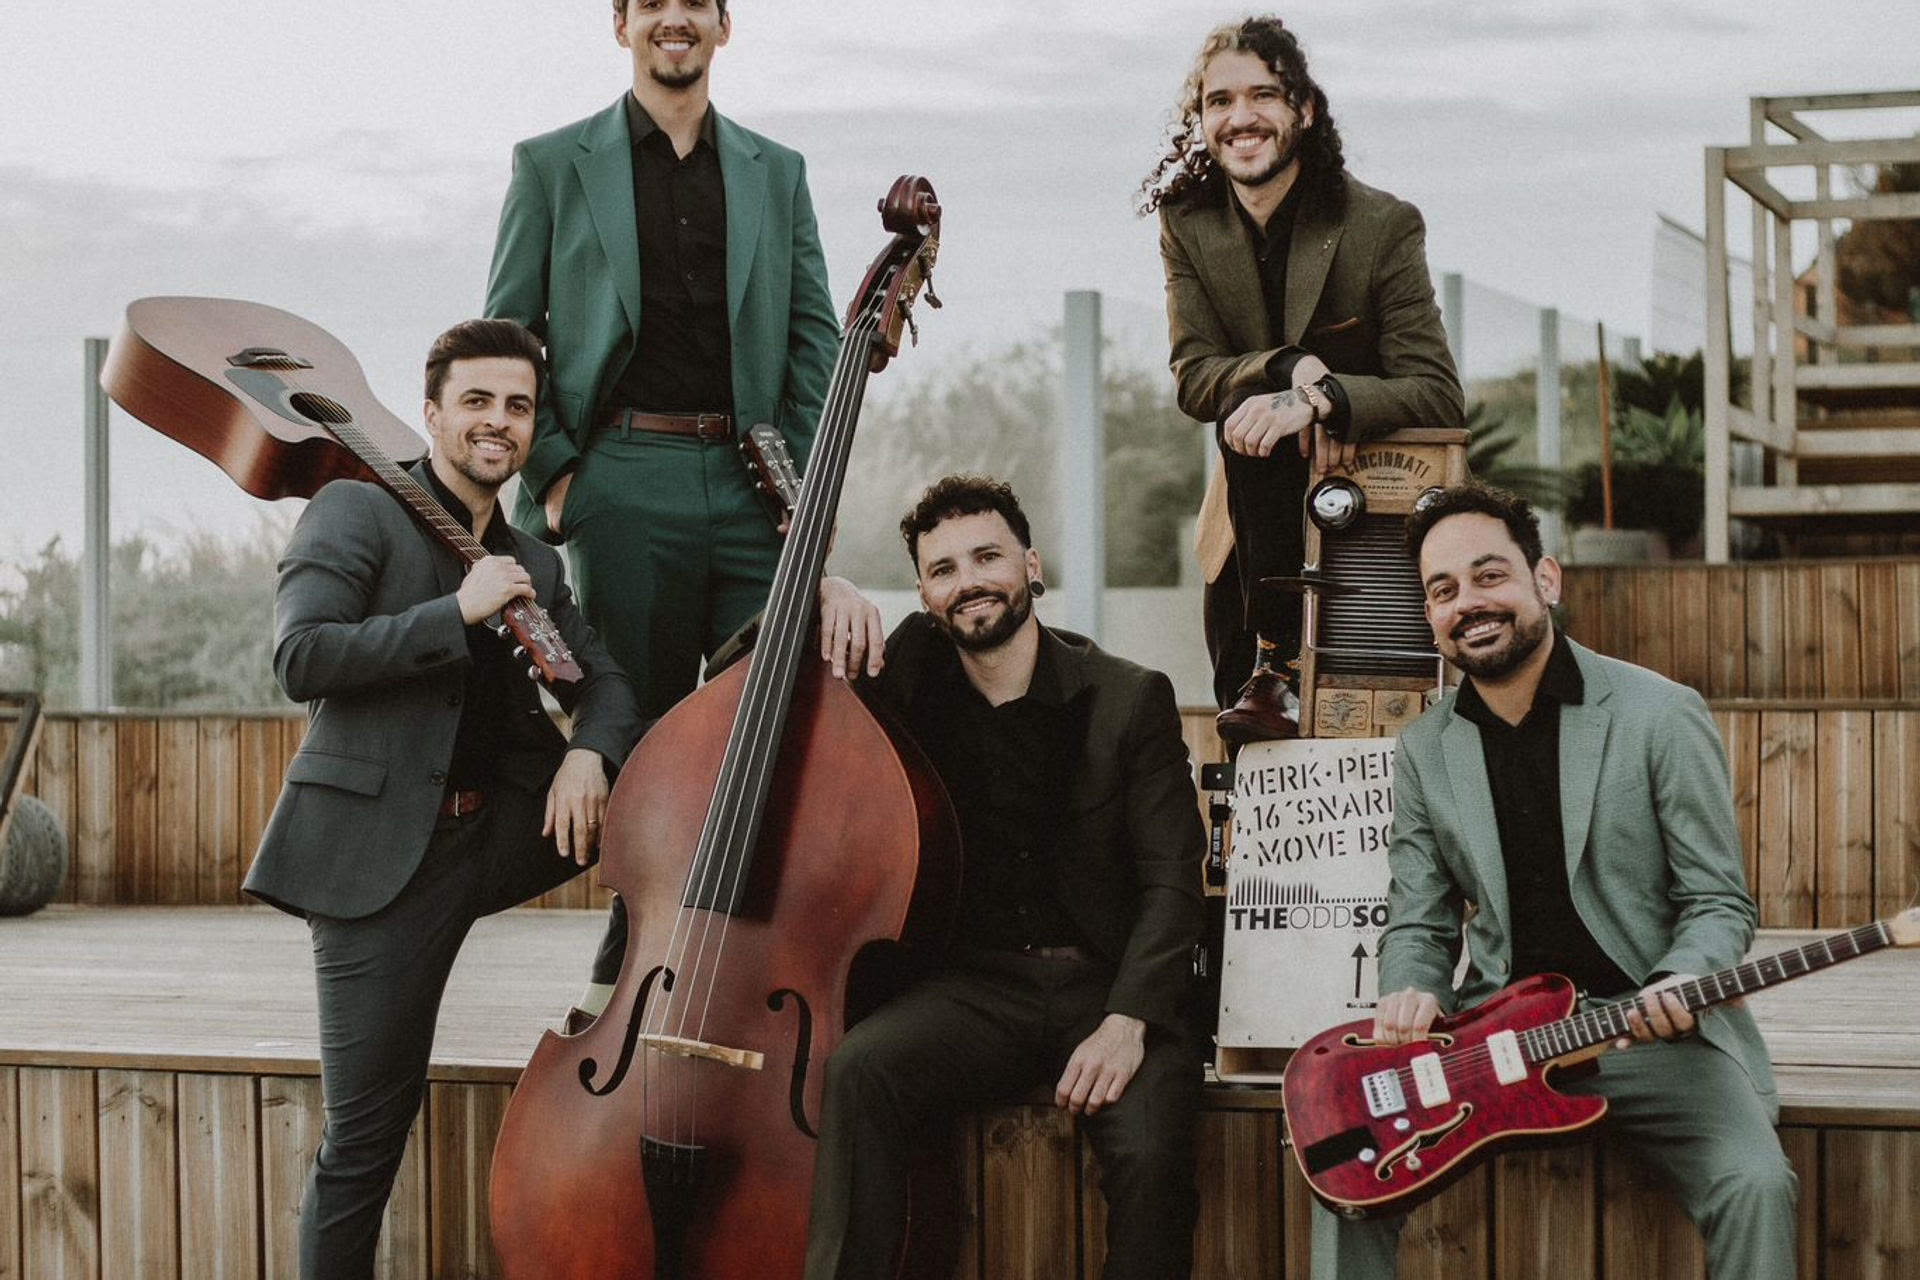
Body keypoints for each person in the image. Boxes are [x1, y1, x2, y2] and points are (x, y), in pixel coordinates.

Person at [1312, 482, 1796, 1280]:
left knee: (1757, 1184)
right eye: (1444, 590)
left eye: (1489, 574)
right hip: (1493, 1040)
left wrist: (1682, 979)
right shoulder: (1426, 748)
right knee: (1344, 1172)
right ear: (1430, 614)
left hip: (1648, 1032)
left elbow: (1718, 900)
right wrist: (1412, 986)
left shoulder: (1660, 713)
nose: (1469, 602)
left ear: (1546, 579)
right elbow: (1419, 921)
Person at [244, 319, 644, 1280]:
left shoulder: (535, 565)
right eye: (476, 401)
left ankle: (631, 993)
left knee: (662, 800)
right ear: (430, 413)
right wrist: (454, 613)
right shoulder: (355, 512)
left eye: (517, 407)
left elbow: (609, 685)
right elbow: (302, 659)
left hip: (499, 830)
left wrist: (589, 751)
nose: (497, 422)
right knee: (366, 1136)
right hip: (377, 864)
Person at [484, 0, 840, 1014]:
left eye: (695, 2)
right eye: (651, 3)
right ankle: (630, 931)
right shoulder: (551, 163)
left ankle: (747, 939)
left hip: (751, 474)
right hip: (622, 471)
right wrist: (556, 474)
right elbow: (511, 331)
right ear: (621, 25)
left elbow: (814, 334)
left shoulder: (780, 170)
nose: (673, 18)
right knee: (632, 711)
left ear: (723, 26)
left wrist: (799, 478)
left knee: (766, 710)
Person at [804, 476, 1207, 1280]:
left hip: (1108, 987)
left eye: (987, 556)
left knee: (1156, 1149)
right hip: (973, 991)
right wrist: (818, 591)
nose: (969, 581)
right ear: (923, 593)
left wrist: (1129, 1021)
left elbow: (1173, 882)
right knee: (861, 1069)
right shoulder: (906, 684)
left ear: (1031, 566)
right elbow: (745, 669)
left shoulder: (1128, 698)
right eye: (943, 569)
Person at [1143, 15, 1464, 734]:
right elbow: (1196, 377)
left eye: (1263, 95)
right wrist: (1289, 369)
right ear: (1200, 120)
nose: (1240, 118)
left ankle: (1279, 664)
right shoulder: (1186, 222)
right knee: (1251, 757)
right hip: (1251, 528)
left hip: (1371, 522)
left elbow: (1438, 392)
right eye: (1219, 102)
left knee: (1377, 749)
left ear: (1304, 109)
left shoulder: (1380, 224)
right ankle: (1268, 664)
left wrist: (1324, 400)